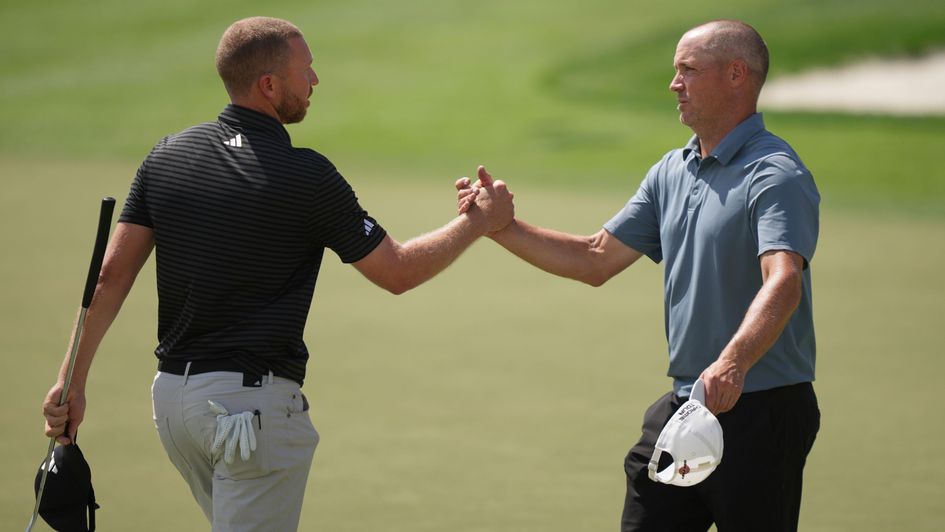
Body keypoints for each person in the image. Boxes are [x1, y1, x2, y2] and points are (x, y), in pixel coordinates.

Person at [42, 16, 513, 531]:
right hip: (249, 417)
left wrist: (71, 383)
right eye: (305, 71)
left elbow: (110, 278)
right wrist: (478, 222)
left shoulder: (166, 156)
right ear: (269, 85)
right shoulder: (306, 174)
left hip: (176, 409)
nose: (314, 82)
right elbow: (396, 271)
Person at [458, 19, 820, 532]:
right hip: (689, 402)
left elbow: (783, 280)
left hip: (764, 408)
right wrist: (503, 228)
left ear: (737, 75)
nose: (675, 84)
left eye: (688, 70)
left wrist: (734, 362)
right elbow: (594, 258)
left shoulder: (775, 173)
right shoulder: (672, 170)